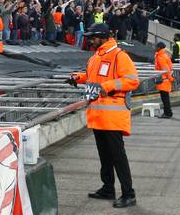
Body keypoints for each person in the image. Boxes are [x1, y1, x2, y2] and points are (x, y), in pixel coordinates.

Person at [69, 23, 138, 209]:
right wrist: (78, 77)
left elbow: (132, 80)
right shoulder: (96, 57)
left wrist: (108, 86)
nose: (90, 40)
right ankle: (108, 188)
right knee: (105, 156)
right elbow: (93, 79)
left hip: (112, 117)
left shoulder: (119, 56)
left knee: (118, 157)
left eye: (92, 37)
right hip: (98, 115)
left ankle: (128, 194)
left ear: (102, 36)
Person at [154, 41, 174, 118]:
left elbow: (165, 69)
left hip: (163, 80)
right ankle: (168, 112)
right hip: (165, 79)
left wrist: (170, 78)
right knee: (165, 98)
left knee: (165, 98)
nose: (155, 48)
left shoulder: (160, 56)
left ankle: (167, 113)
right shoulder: (163, 55)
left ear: (159, 48)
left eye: (156, 46)